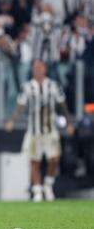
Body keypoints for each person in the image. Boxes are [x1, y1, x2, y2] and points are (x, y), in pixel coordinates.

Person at [6, 59, 74, 202]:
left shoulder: (54, 86)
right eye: (35, 67)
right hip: (34, 130)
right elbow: (20, 106)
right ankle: (37, 190)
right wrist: (12, 120)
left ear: (45, 69)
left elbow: (62, 105)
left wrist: (69, 123)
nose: (37, 69)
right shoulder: (27, 87)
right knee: (34, 161)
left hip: (50, 129)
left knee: (54, 159)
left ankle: (48, 185)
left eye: (40, 67)